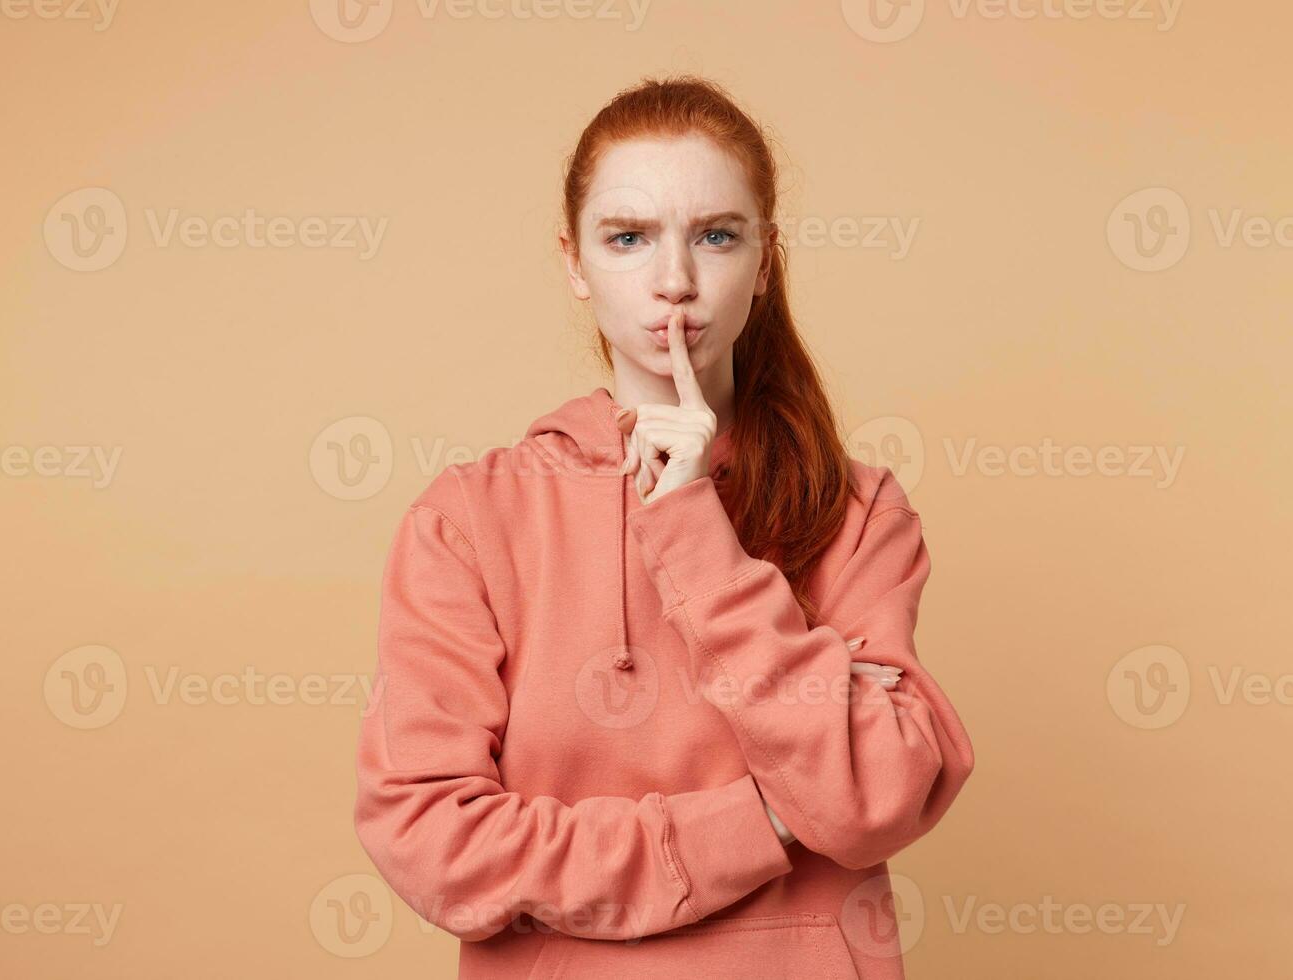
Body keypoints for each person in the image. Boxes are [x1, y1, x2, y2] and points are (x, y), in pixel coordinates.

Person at [352, 73, 974, 980]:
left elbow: (874, 798)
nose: (674, 282)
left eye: (716, 236)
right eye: (629, 238)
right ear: (574, 262)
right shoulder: (472, 519)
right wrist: (755, 822)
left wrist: (695, 529)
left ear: (764, 264)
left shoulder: (856, 512)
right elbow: (430, 841)